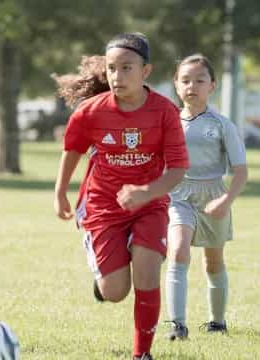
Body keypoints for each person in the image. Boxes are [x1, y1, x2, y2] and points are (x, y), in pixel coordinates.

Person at [54, 33, 189, 360]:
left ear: (146, 71)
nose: (118, 76)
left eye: (127, 68)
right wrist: (60, 193)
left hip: (150, 205)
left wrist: (146, 192)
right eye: (112, 68)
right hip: (102, 205)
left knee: (146, 270)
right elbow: (72, 150)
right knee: (115, 292)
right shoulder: (92, 111)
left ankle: (142, 353)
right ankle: (105, 279)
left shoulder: (165, 112)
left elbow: (177, 169)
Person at [165, 54, 248, 340]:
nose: (192, 86)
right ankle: (177, 325)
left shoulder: (223, 124)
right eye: (185, 80)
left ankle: (217, 322)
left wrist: (226, 201)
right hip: (179, 195)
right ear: (176, 85)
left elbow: (240, 172)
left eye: (200, 80)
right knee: (177, 250)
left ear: (212, 85)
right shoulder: (168, 122)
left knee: (213, 262)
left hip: (213, 195)